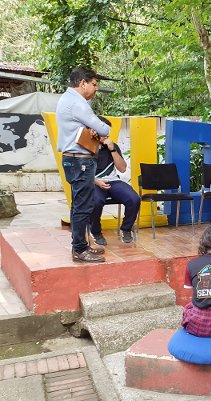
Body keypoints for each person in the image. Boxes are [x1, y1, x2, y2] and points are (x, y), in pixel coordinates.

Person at [56, 66, 111, 263]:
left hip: (74, 160)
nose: (96, 89)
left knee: (79, 204)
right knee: (83, 205)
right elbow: (104, 127)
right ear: (83, 83)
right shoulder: (77, 103)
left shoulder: (66, 99)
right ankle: (79, 249)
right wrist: (98, 129)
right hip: (81, 162)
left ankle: (81, 244)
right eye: (94, 84)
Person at [89, 116, 140, 245]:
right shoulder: (86, 146)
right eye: (104, 131)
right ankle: (95, 231)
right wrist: (96, 182)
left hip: (113, 181)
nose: (106, 135)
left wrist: (112, 149)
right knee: (96, 201)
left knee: (134, 199)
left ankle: (126, 229)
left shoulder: (113, 146)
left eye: (108, 132)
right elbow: (81, 171)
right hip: (93, 182)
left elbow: (122, 169)